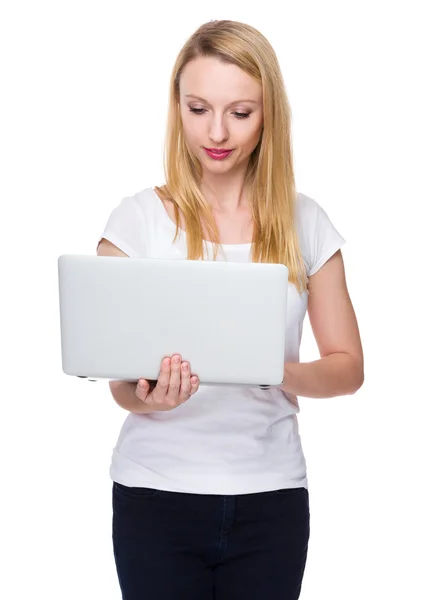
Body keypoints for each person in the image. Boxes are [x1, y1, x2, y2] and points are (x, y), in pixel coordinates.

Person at [96, 19, 364, 600]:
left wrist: (274, 370)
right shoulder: (138, 221)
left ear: (269, 115)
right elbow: (117, 381)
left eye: (240, 113)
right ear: (177, 108)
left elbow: (347, 367)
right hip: (154, 497)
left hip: (271, 502)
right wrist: (145, 393)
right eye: (198, 109)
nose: (216, 131)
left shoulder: (306, 223)